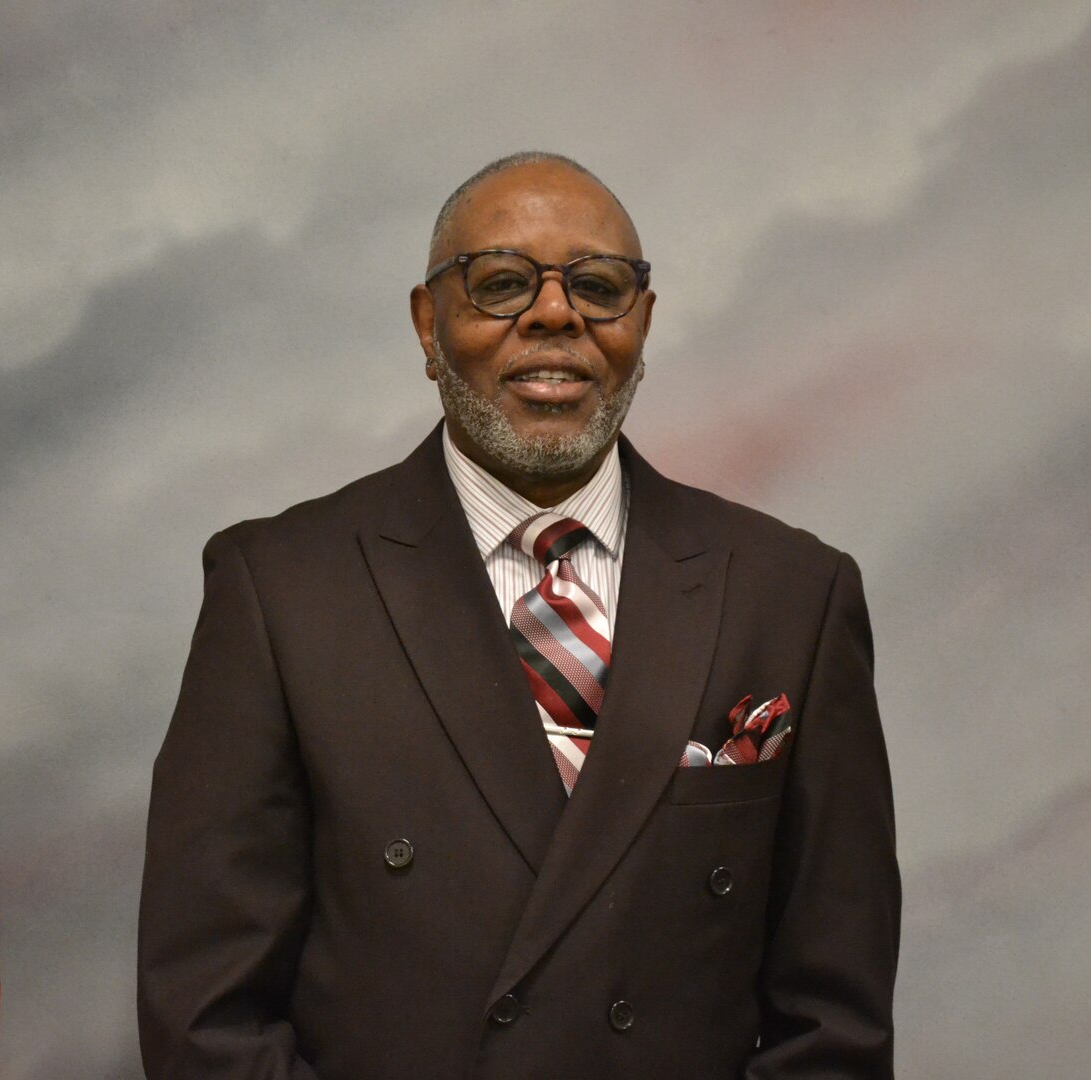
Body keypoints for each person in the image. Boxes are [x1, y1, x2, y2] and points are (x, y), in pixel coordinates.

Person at [137, 152, 899, 1079]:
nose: (554, 314)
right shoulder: (279, 591)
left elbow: (834, 1027)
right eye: (500, 284)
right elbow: (207, 1022)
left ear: (643, 323)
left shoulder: (794, 594)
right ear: (428, 325)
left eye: (598, 286)